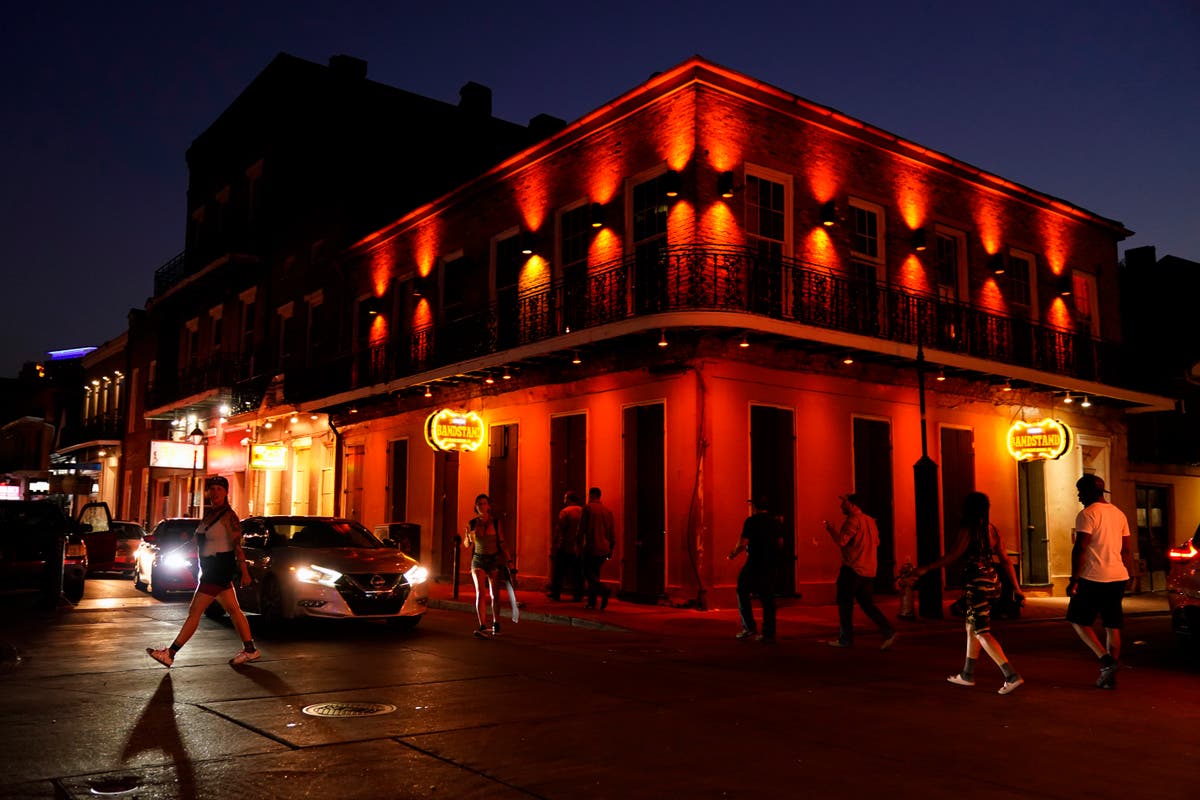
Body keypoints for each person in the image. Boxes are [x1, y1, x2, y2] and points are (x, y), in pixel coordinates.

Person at [912, 491, 1025, 695]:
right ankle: (967, 674)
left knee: (982, 632)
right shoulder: (992, 531)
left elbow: (953, 555)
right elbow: (1006, 560)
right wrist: (1016, 588)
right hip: (993, 583)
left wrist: (926, 569)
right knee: (971, 626)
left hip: (977, 585)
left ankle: (1011, 675)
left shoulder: (968, 530)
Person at [146, 475, 258, 667]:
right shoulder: (209, 515)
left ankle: (170, 653)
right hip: (209, 568)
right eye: (212, 489)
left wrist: (244, 571)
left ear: (226, 492)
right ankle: (250, 650)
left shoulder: (229, 516)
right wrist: (172, 553)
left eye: (219, 489)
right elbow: (194, 542)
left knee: (195, 611)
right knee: (233, 610)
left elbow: (237, 545)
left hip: (218, 568)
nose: (215, 493)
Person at [1067, 474, 1131, 689]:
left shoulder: (1087, 514)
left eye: (1079, 491)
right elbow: (1127, 549)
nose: (1078, 496)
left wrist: (1073, 578)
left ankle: (1106, 661)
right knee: (1113, 625)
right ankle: (1109, 678)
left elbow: (1081, 548)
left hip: (1093, 576)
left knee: (1077, 619)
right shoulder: (1119, 514)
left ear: (1087, 492)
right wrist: (1129, 574)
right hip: (1118, 576)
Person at [822, 493, 897, 650]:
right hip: (869, 570)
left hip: (852, 568)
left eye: (844, 503)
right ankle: (887, 630)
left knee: (844, 603)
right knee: (867, 604)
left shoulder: (852, 521)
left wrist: (831, 530)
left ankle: (845, 638)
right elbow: (877, 543)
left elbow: (842, 541)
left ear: (851, 504)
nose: (841, 506)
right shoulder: (870, 521)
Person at [728, 496, 782, 642]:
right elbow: (780, 542)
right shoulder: (775, 521)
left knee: (742, 589)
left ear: (755, 507)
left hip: (754, 562)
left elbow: (744, 542)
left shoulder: (751, 521)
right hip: (770, 562)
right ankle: (768, 633)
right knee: (768, 598)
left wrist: (733, 553)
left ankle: (749, 626)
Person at [463, 493, 512, 637]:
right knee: (480, 593)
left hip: (494, 559)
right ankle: (483, 625)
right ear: (475, 506)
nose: (482, 506)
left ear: (488, 506)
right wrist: (467, 536)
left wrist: (509, 560)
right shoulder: (472, 523)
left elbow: (502, 543)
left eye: (484, 503)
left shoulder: (495, 523)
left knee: (494, 594)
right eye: (479, 504)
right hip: (478, 560)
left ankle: (496, 622)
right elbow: (467, 545)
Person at [579, 487, 614, 610]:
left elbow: (581, 529)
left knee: (587, 573)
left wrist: (578, 545)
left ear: (592, 495)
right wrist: (611, 549)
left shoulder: (588, 508)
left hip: (591, 546)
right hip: (604, 548)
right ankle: (592, 601)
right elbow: (611, 532)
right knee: (595, 574)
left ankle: (603, 590)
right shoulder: (607, 511)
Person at [548, 490, 584, 601]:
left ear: (568, 499)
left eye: (565, 498)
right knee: (577, 572)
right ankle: (578, 594)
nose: (564, 500)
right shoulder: (583, 511)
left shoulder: (565, 512)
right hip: (579, 546)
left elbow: (560, 528)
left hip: (565, 545)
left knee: (559, 571)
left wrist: (555, 542)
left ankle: (556, 593)